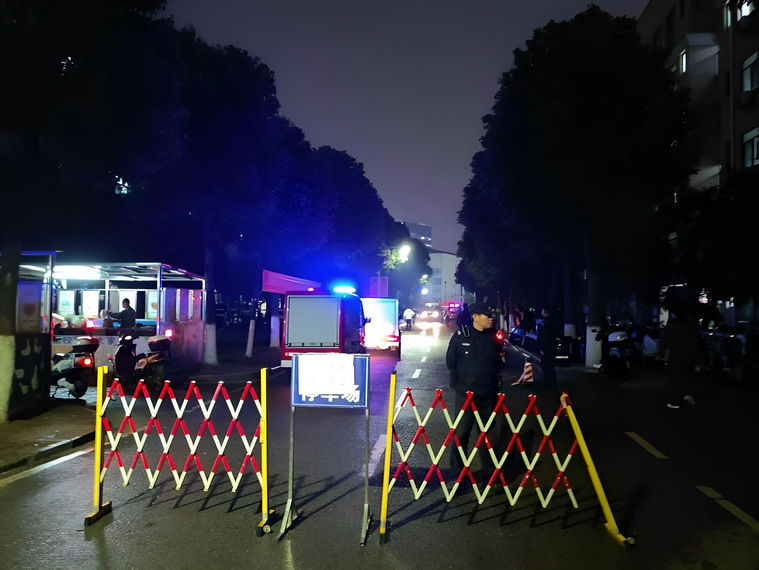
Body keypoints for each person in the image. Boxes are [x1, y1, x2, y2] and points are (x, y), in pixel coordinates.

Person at [446, 302, 504, 474]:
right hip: (466, 394)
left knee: (488, 436)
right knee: (461, 434)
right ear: (475, 317)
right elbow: (451, 361)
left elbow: (499, 363)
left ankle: (490, 475)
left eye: (492, 316)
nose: (491, 319)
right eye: (487, 315)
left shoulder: (494, 338)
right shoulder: (461, 336)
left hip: (488, 394)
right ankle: (457, 474)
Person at [659, 311, 703, 408]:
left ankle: (675, 401)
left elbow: (664, 341)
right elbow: (697, 341)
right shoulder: (690, 326)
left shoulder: (671, 326)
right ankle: (687, 394)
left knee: (675, 378)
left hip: (675, 355)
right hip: (688, 356)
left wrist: (662, 355)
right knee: (686, 376)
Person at [537, 307, 561, 389]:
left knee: (547, 366)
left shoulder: (547, 323)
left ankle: (549, 383)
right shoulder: (551, 321)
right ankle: (550, 382)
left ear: (545, 312)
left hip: (547, 348)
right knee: (549, 366)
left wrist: (543, 349)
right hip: (551, 347)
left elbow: (546, 337)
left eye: (542, 311)